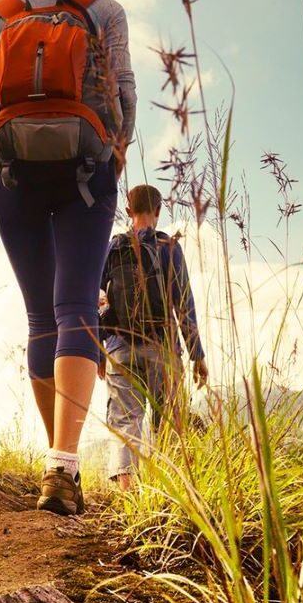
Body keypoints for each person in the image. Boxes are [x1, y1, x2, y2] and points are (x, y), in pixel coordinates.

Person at [0, 0, 135, 516]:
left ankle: (56, 462)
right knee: (77, 309)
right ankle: (64, 461)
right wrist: (112, 161)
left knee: (41, 317)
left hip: (12, 176)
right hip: (87, 173)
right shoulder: (102, 9)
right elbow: (126, 96)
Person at [100, 184, 208, 489]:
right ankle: (168, 494)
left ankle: (129, 495)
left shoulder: (111, 248)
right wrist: (197, 354)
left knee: (125, 420)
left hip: (119, 347)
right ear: (158, 211)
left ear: (128, 210)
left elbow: (95, 298)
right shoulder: (169, 247)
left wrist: (98, 351)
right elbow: (183, 303)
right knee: (169, 422)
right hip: (163, 347)